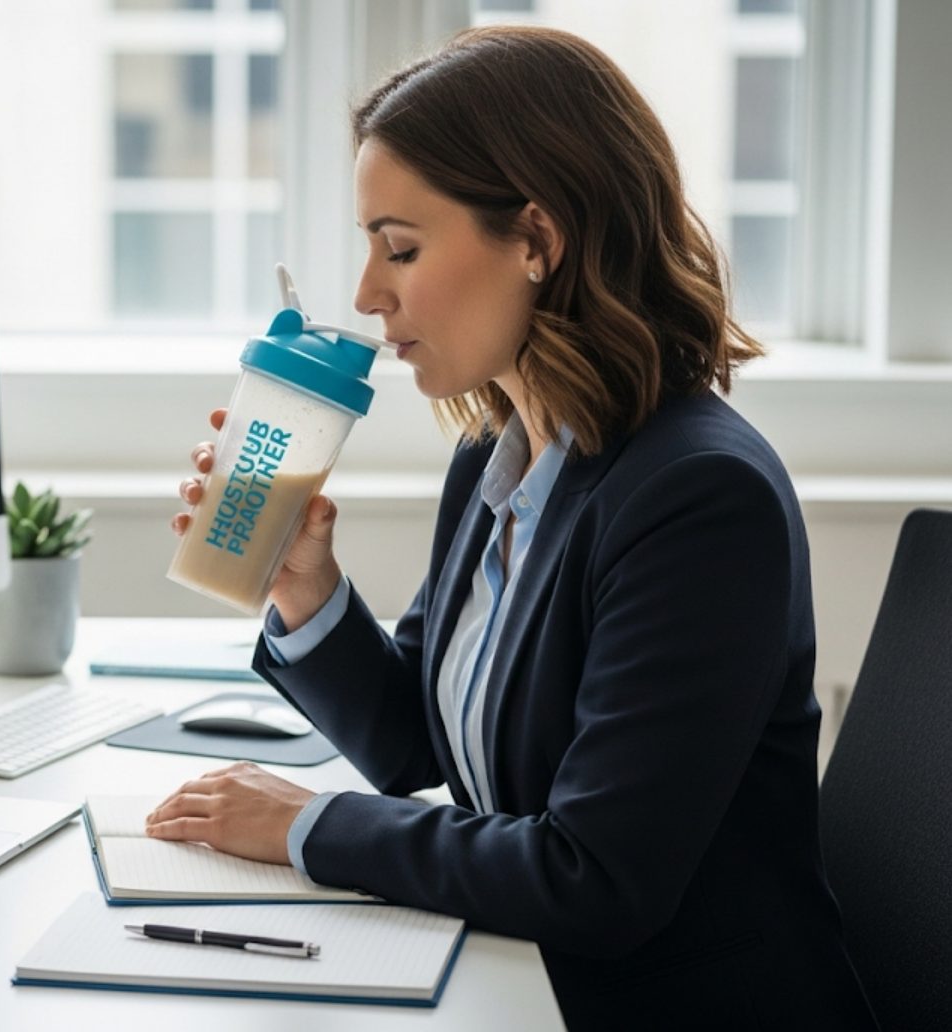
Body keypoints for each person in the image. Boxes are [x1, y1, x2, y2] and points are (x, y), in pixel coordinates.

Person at [149, 25, 879, 1032]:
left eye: (398, 247)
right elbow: (417, 741)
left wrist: (305, 825)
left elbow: (595, 880)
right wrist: (303, 590)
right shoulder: (499, 456)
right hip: (526, 981)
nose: (367, 293)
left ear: (534, 240)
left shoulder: (698, 498)